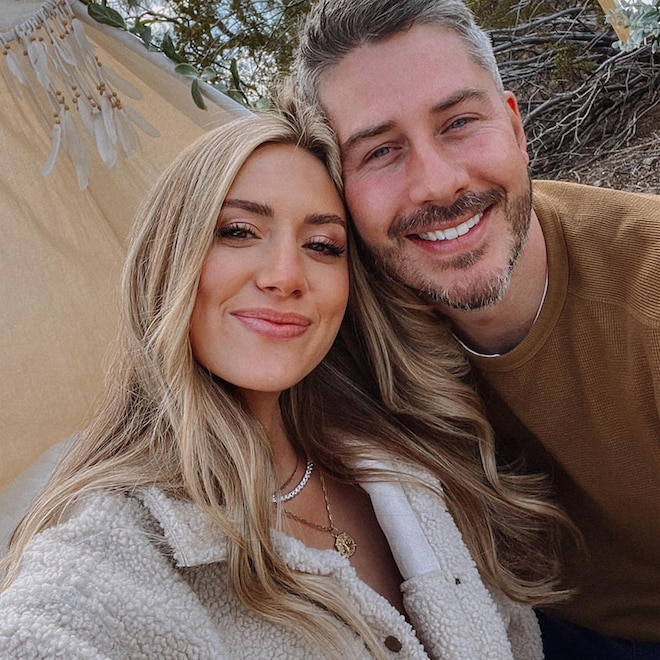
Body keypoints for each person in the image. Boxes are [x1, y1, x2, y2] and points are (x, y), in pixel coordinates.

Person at [0, 102, 569, 658]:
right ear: (169, 258)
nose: (285, 276)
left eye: (322, 245)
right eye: (239, 231)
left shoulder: (404, 450)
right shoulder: (110, 550)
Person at [294, 1, 660, 658]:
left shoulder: (646, 293)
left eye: (459, 123)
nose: (437, 184)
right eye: (381, 151)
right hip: (517, 623)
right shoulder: (338, 323)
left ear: (516, 129)